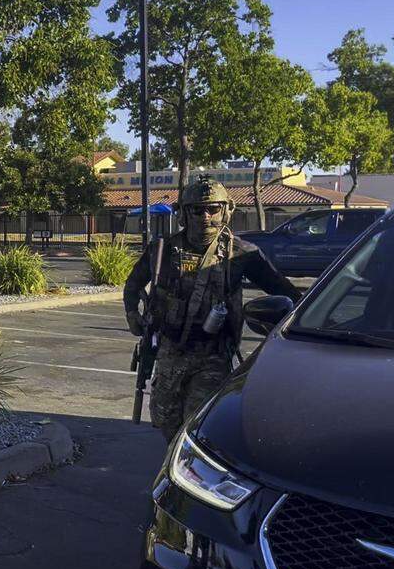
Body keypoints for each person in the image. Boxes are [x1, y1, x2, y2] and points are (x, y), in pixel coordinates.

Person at [123, 175, 300, 441]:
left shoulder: (242, 253)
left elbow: (282, 290)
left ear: (226, 210)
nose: (205, 216)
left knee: (197, 425)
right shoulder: (163, 251)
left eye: (213, 208)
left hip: (212, 355)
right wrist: (132, 313)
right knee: (165, 420)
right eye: (197, 210)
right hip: (170, 352)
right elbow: (134, 284)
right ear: (184, 213)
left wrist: (312, 315)